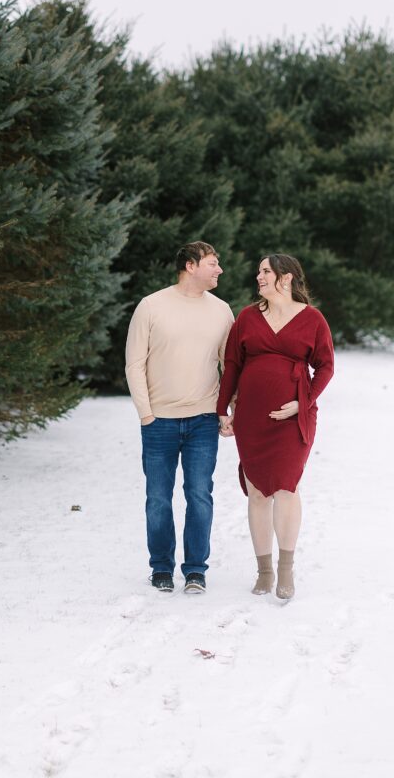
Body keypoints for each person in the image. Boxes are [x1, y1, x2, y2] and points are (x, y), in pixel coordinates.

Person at [217, 253, 334, 600]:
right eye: (259, 271)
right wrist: (222, 407)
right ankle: (264, 571)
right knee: (257, 493)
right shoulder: (248, 317)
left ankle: (285, 569)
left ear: (286, 278)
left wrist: (304, 402)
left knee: (286, 487)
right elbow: (233, 363)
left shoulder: (313, 320)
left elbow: (325, 366)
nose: (259, 277)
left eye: (265, 271)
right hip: (252, 418)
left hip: (294, 419)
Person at [125, 241, 234, 594]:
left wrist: (227, 409)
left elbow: (230, 365)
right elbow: (134, 364)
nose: (219, 270)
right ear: (191, 266)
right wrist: (146, 414)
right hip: (160, 422)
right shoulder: (151, 306)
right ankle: (160, 567)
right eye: (213, 263)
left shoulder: (221, 311)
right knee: (158, 497)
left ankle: (195, 570)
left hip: (203, 420)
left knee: (199, 494)